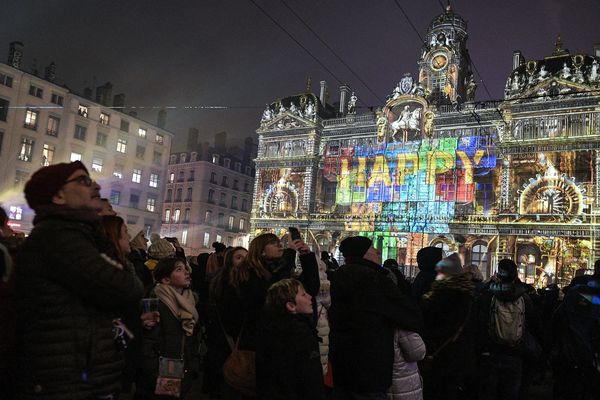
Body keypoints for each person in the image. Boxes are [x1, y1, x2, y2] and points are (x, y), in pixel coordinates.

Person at [15, 161, 144, 399]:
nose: (95, 185)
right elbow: (126, 287)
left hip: (77, 379)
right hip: (66, 383)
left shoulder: (75, 236)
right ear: (58, 196)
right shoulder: (60, 238)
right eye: (83, 181)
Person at [329, 236, 423, 399]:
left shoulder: (339, 277)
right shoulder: (374, 279)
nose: (377, 252)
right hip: (372, 363)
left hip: (342, 361)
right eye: (372, 248)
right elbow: (407, 314)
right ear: (363, 254)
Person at [476, 259, 542, 400]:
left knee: (490, 391)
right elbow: (533, 323)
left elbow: (480, 321)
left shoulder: (489, 294)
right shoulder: (524, 296)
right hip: (516, 351)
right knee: (510, 391)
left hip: (492, 350)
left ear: (498, 274)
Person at [136, 257, 200, 399]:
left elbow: (192, 339)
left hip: (184, 369)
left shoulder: (189, 301)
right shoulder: (154, 304)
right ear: (166, 279)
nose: (186, 272)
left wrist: (193, 366)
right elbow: (147, 343)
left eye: (185, 268)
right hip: (162, 370)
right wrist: (153, 374)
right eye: (179, 269)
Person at [256, 278, 326, 399]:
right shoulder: (301, 334)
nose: (309, 297)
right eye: (303, 294)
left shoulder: (268, 330)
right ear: (291, 306)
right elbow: (311, 380)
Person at [420, 254, 477, 400]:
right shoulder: (470, 296)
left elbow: (430, 325)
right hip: (462, 355)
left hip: (440, 353)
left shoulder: (438, 296)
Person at [204, 246, 248, 398]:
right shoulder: (228, 285)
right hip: (227, 341)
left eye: (246, 257)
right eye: (239, 257)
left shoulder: (243, 282)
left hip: (225, 342)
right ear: (230, 262)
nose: (244, 261)